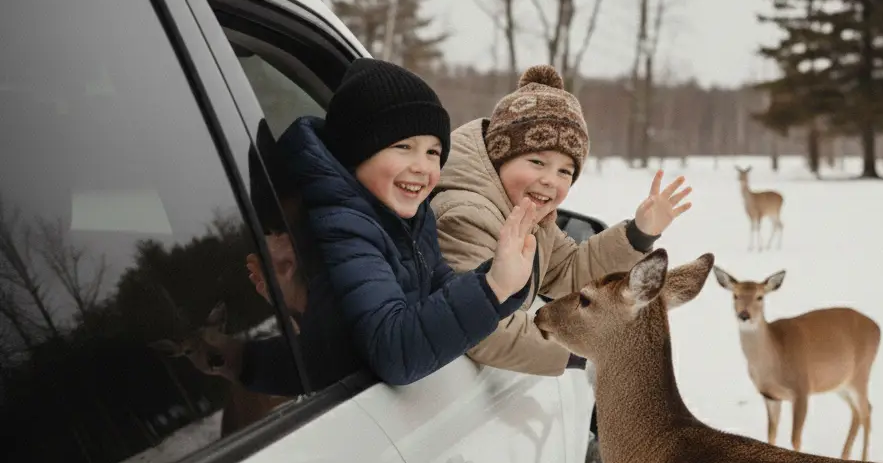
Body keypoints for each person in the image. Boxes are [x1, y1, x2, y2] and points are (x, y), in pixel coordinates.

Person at [257, 58, 537, 387]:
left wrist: (497, 279)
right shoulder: (342, 225)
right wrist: (493, 288)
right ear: (356, 151)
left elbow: (437, 285)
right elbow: (394, 351)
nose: (422, 167)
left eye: (433, 152)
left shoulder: (407, 217)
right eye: (403, 147)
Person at [431, 64, 693, 376]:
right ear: (500, 154)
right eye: (537, 161)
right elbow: (482, 329)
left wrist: (639, 234)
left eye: (564, 171)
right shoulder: (469, 215)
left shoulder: (526, 214)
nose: (550, 181)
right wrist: (585, 350)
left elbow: (568, 271)